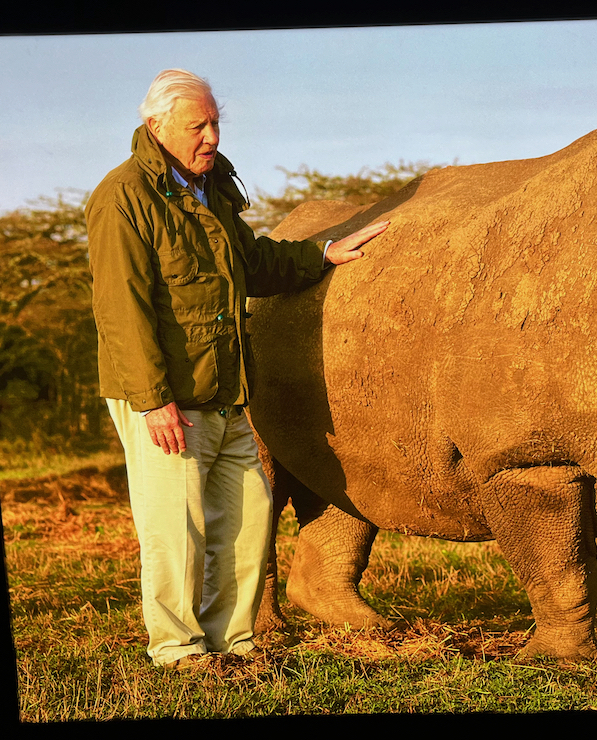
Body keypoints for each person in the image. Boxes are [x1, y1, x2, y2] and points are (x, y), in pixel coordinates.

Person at [86, 69, 388, 670]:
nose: (211, 137)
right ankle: (177, 651)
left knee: (249, 522)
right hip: (166, 398)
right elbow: (121, 311)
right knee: (178, 533)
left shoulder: (212, 190)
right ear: (156, 126)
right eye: (197, 125)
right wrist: (153, 401)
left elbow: (252, 263)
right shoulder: (122, 197)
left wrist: (323, 253)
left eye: (215, 123)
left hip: (225, 392)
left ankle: (234, 643)